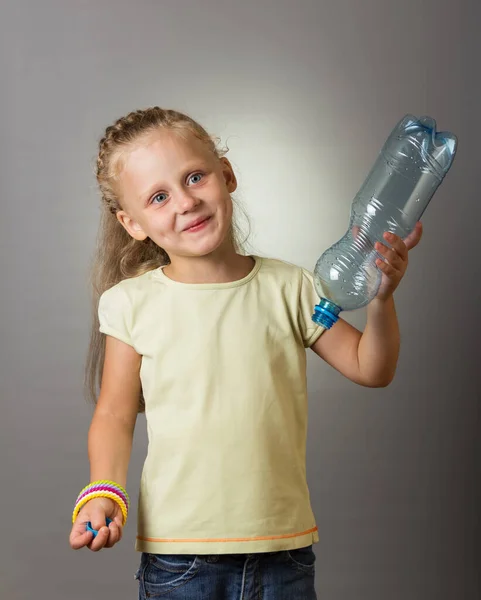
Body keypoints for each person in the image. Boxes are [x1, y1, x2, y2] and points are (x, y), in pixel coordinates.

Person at [68, 107, 422, 599]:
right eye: (159, 196)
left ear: (226, 175)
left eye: (195, 177)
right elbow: (114, 414)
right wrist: (103, 492)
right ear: (133, 223)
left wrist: (381, 299)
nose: (187, 201)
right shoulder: (131, 304)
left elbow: (371, 367)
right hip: (179, 556)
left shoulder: (291, 288)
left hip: (284, 552)